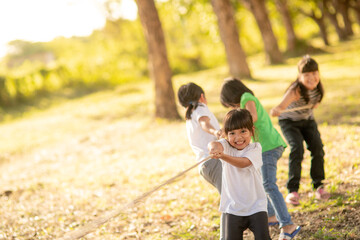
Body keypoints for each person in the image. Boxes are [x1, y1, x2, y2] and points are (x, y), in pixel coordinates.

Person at [220, 78, 301, 240]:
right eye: (232, 132)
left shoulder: (246, 98)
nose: (234, 109)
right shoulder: (247, 100)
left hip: (268, 145)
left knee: (269, 184)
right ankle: (270, 215)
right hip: (267, 144)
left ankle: (287, 224)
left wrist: (238, 123)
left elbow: (252, 116)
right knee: (264, 182)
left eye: (231, 106)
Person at [270, 55, 330, 206]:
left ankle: (318, 185)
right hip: (289, 122)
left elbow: (315, 102)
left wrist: (314, 105)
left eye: (314, 73)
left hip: (307, 120)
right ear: (299, 76)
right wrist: (276, 110)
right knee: (297, 149)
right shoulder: (295, 90)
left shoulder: (318, 89)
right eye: (307, 75)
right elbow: (281, 107)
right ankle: (293, 190)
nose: (311, 78)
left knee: (317, 148)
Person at [208, 108, 270, 240]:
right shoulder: (225, 145)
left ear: (252, 131)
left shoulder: (255, 148)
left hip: (256, 207)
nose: (238, 137)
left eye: (243, 131)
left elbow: (244, 163)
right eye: (232, 133)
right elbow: (213, 144)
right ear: (226, 134)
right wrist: (214, 149)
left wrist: (223, 156)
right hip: (233, 208)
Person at [177, 82, 224, 239]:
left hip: (205, 167)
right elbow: (205, 124)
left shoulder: (189, 115)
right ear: (202, 96)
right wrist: (216, 131)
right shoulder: (200, 109)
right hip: (213, 162)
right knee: (230, 201)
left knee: (231, 197)